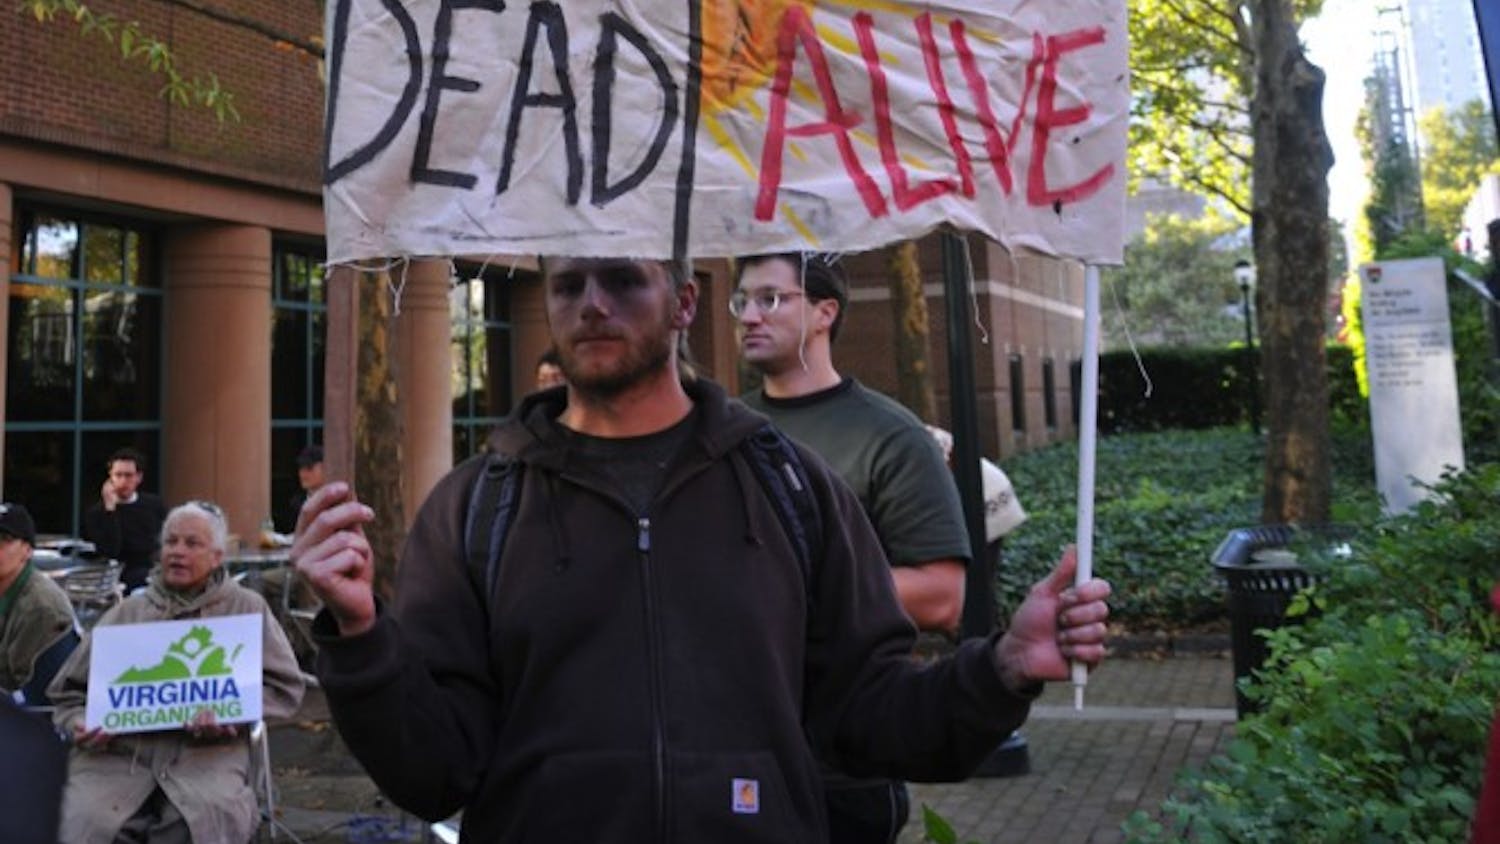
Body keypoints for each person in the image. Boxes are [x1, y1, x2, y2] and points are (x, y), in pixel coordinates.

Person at [293, 256, 1111, 843]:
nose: (592, 304)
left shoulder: (793, 487)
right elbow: (433, 770)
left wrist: (1002, 667)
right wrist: (361, 640)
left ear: (684, 303)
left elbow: (869, 717)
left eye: (622, 279)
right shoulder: (478, 506)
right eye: (569, 284)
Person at [734, 252, 968, 843]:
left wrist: (794, 582)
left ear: (823, 312)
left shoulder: (890, 435)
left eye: (771, 299)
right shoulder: (724, 430)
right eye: (741, 302)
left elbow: (943, 596)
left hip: (842, 760)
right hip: (731, 746)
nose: (749, 316)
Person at [49, 500, 305, 844]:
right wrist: (79, 721)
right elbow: (69, 691)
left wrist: (237, 711)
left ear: (217, 556)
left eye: (192, 543)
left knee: (201, 820)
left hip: (208, 756)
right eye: (171, 542)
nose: (178, 552)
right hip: (120, 757)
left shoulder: (246, 609)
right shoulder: (128, 612)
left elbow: (285, 686)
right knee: (88, 822)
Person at [0, 502, 77, 707]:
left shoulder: (41, 607)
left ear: (27, 550)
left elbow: (20, 690)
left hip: (33, 722)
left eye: (4, 540)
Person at [82, 447, 167, 592]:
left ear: (138, 477)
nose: (123, 481)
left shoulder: (154, 505)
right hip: (118, 578)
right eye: (118, 475)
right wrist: (110, 510)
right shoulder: (97, 513)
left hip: (152, 573)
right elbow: (110, 550)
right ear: (110, 477)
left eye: (128, 475)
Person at [277, 444, 326, 535]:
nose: (303, 474)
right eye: (301, 468)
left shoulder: (335, 501)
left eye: (309, 468)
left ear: (325, 468)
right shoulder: (295, 504)